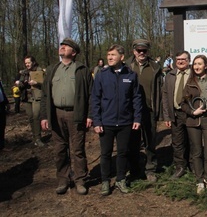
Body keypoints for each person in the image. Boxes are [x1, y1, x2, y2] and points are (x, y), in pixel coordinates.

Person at [40, 38, 92, 195]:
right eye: (61, 46)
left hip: (76, 114)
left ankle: (80, 180)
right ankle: (63, 180)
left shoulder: (82, 70)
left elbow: (91, 95)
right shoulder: (52, 69)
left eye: (66, 46)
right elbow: (44, 95)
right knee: (60, 149)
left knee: (77, 149)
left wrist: (89, 115)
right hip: (56, 114)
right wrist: (44, 116)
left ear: (74, 52)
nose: (62, 48)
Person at [92, 44, 142, 196]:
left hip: (125, 122)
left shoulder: (131, 75)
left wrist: (137, 118)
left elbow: (136, 98)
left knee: (122, 153)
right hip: (106, 122)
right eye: (108, 55)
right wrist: (97, 121)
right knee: (106, 153)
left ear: (121, 57)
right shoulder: (102, 75)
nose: (109, 58)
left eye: (113, 55)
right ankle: (105, 181)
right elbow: (95, 99)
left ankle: (120, 179)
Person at [125, 39, 163, 182]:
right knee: (132, 142)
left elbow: (161, 90)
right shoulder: (126, 66)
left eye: (144, 50)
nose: (141, 53)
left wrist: (159, 110)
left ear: (148, 52)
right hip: (131, 112)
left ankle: (150, 169)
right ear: (134, 51)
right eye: (139, 50)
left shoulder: (155, 67)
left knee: (150, 141)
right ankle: (134, 169)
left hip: (149, 110)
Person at [180, 55, 207, 195]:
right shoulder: (189, 83)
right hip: (193, 121)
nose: (196, 66)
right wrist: (191, 111)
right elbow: (182, 104)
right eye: (195, 64)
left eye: (200, 64)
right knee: (197, 152)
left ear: (205, 66)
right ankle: (199, 180)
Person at [162, 50, 191, 179]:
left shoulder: (194, 75)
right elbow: (165, 95)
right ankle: (180, 167)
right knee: (177, 142)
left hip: (191, 114)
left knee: (193, 141)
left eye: (183, 59)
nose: (180, 61)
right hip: (176, 114)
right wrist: (167, 116)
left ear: (188, 61)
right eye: (178, 59)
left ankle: (193, 166)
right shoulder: (170, 75)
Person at [17, 56, 45, 147]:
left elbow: (46, 84)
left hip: (37, 97)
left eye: (28, 63)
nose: (27, 65)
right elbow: (20, 86)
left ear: (33, 62)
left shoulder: (40, 71)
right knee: (31, 117)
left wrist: (37, 83)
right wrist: (21, 83)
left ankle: (38, 138)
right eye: (26, 63)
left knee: (36, 116)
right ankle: (34, 138)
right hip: (27, 97)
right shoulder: (24, 72)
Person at [0, 79, 9, 151]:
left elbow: (2, 92)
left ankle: (2, 146)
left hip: (1, 105)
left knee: (2, 125)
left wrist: (6, 102)